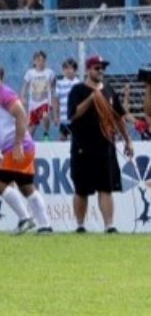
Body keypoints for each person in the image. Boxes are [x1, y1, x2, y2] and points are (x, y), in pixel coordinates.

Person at [0, 63, 52, 235]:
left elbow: (21, 114)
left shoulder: (4, 93)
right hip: (19, 148)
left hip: (18, 147)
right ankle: (45, 226)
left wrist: (18, 144)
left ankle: (25, 219)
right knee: (26, 187)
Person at [66, 56, 134, 234]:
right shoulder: (78, 90)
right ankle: (80, 225)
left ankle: (109, 225)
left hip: (106, 145)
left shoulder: (109, 90)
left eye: (103, 68)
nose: (100, 71)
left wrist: (128, 140)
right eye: (97, 68)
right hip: (83, 146)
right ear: (89, 70)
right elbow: (73, 115)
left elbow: (118, 116)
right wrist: (91, 99)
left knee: (106, 187)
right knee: (82, 189)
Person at [22, 51, 56, 138]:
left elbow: (53, 88)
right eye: (38, 60)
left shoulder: (50, 73)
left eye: (42, 60)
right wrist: (23, 97)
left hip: (44, 101)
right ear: (34, 61)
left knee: (45, 116)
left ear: (45, 61)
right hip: (33, 102)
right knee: (32, 126)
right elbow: (25, 86)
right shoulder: (30, 73)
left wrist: (52, 102)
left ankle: (46, 133)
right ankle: (29, 141)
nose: (40, 62)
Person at [55, 58, 82, 141]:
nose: (68, 71)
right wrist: (56, 115)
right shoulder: (59, 83)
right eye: (66, 68)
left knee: (76, 138)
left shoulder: (79, 84)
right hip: (64, 117)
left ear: (75, 70)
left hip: (76, 118)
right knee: (62, 137)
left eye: (70, 68)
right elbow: (56, 100)